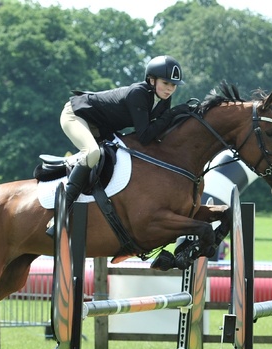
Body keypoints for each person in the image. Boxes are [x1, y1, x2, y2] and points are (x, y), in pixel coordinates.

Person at [47, 55, 189, 236]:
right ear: (152, 80)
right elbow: (145, 136)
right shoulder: (138, 93)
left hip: (102, 127)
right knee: (92, 153)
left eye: (173, 85)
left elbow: (158, 131)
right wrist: (172, 114)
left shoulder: (162, 99)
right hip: (77, 115)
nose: (170, 89)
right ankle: (61, 212)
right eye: (166, 83)